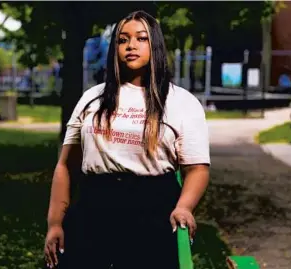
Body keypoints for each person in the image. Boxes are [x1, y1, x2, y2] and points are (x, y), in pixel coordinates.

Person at [44, 10, 210, 269]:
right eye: (123, 40)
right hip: (94, 205)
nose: (131, 45)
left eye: (141, 38)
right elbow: (66, 166)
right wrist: (55, 223)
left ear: (154, 45)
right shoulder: (92, 98)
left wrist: (184, 207)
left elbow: (197, 169)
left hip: (153, 209)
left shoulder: (181, 102)